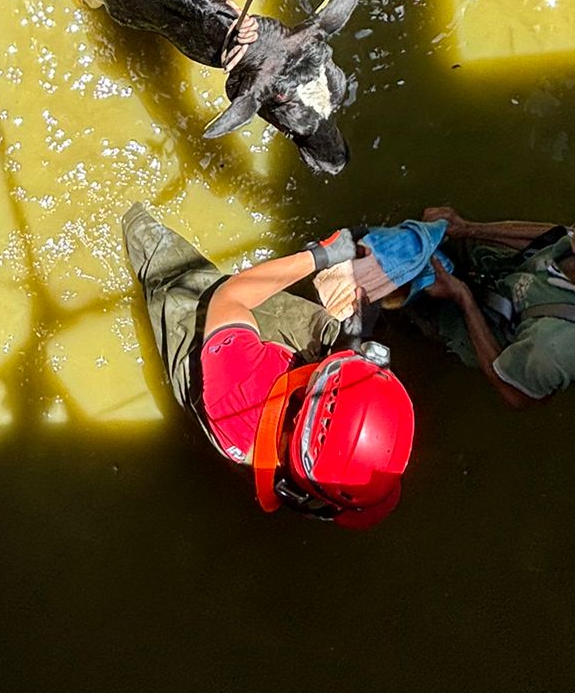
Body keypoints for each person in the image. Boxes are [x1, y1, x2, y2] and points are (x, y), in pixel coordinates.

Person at [122, 203, 415, 528]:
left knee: (179, 277)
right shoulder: (320, 470)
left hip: (220, 357)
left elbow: (230, 298)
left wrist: (320, 256)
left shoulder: (239, 393)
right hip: (283, 408)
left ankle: (123, 215)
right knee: (343, 326)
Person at [379, 202, 575, 409]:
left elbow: (514, 392)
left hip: (504, 330)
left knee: (404, 310)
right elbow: (555, 237)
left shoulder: (556, 349)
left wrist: (463, 298)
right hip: (518, 279)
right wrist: (468, 228)